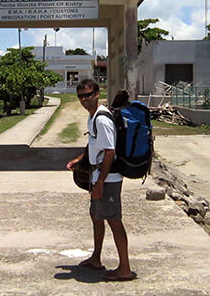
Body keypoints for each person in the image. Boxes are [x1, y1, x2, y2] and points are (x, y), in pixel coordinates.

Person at [66, 79, 135, 281]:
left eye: (88, 95)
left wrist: (101, 183)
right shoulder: (93, 117)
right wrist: (80, 159)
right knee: (96, 215)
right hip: (99, 175)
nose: (84, 100)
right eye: (80, 96)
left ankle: (125, 269)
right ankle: (96, 258)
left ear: (97, 93)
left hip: (109, 178)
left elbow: (110, 152)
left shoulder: (102, 119)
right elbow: (95, 146)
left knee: (114, 220)